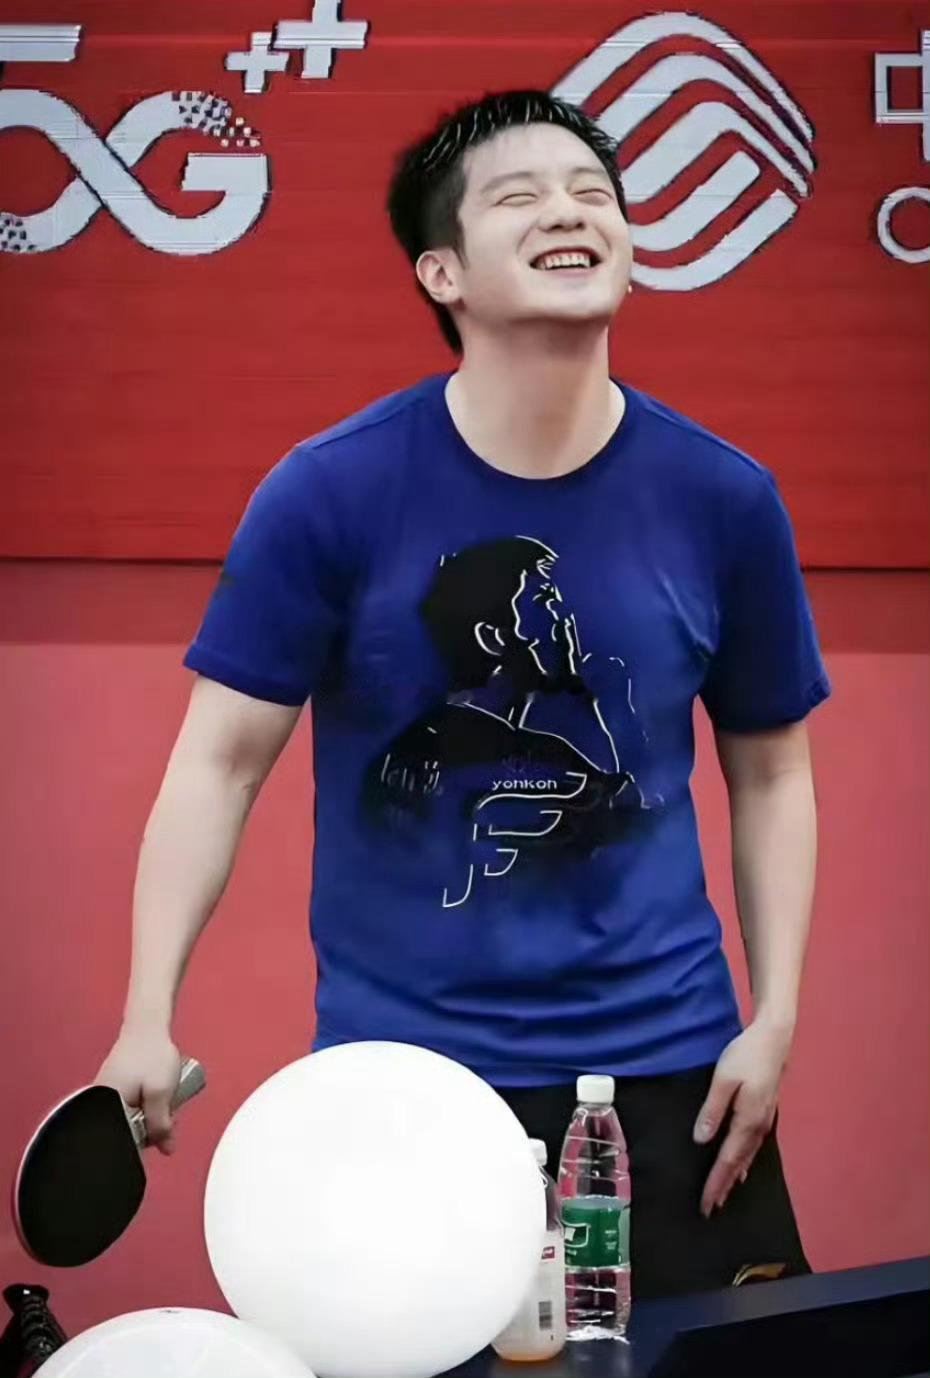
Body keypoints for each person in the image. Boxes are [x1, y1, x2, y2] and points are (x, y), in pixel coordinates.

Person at [97, 90, 831, 1297]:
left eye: (593, 193)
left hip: (672, 1069)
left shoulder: (725, 498)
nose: (570, 212)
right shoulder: (328, 492)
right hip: (405, 1081)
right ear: (442, 272)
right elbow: (218, 764)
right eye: (521, 196)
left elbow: (774, 770)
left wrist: (777, 1014)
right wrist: (146, 1010)